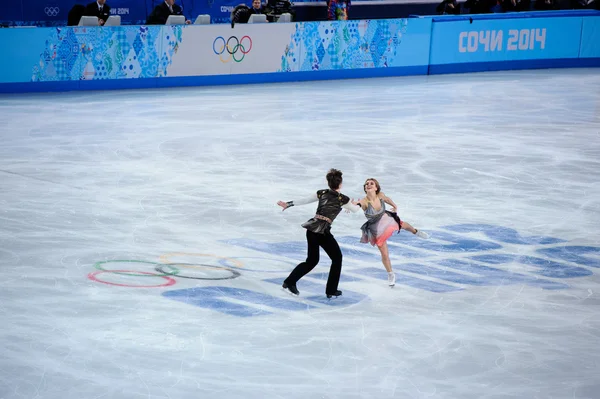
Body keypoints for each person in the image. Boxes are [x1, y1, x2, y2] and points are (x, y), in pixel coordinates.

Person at [278, 169, 361, 298]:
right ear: (340, 183)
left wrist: (288, 204)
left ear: (328, 183)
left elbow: (305, 200)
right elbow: (355, 210)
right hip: (322, 232)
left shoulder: (322, 193)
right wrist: (358, 204)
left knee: (312, 261)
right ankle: (331, 290)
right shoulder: (343, 199)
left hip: (312, 229)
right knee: (337, 258)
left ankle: (289, 282)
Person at [353, 178, 429, 287]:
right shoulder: (364, 201)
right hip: (376, 228)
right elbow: (357, 205)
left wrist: (394, 206)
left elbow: (387, 199)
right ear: (365, 188)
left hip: (385, 218)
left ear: (376, 187)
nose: (368, 185)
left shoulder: (380, 195)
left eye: (371, 183)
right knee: (384, 253)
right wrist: (352, 206)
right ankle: (391, 274)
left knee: (401, 224)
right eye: (366, 184)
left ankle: (415, 231)